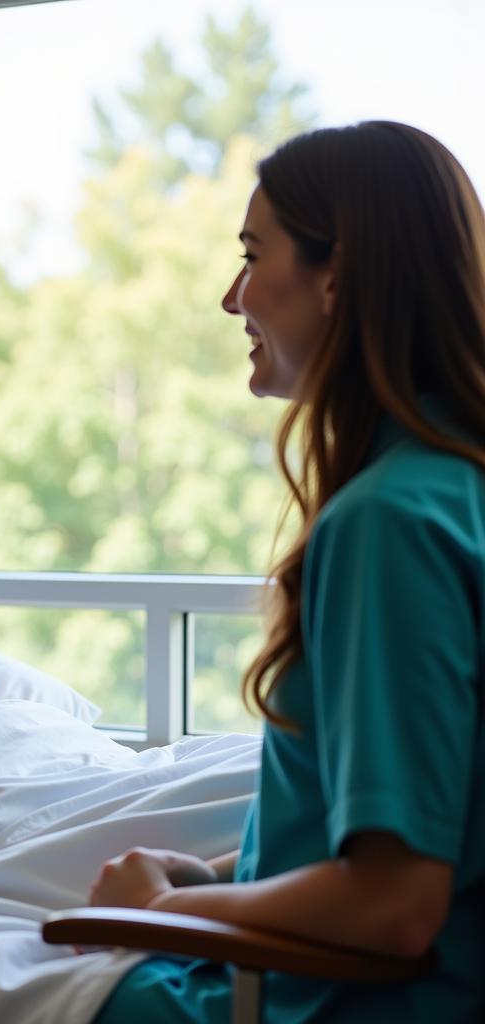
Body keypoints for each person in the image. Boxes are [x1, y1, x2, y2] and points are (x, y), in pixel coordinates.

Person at [88, 121, 485, 1022]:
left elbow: (393, 904)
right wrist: (211, 877)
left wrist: (166, 913)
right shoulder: (457, 485)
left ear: (336, 277)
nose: (233, 298)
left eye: (253, 255)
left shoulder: (389, 521)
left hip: (338, 1002)